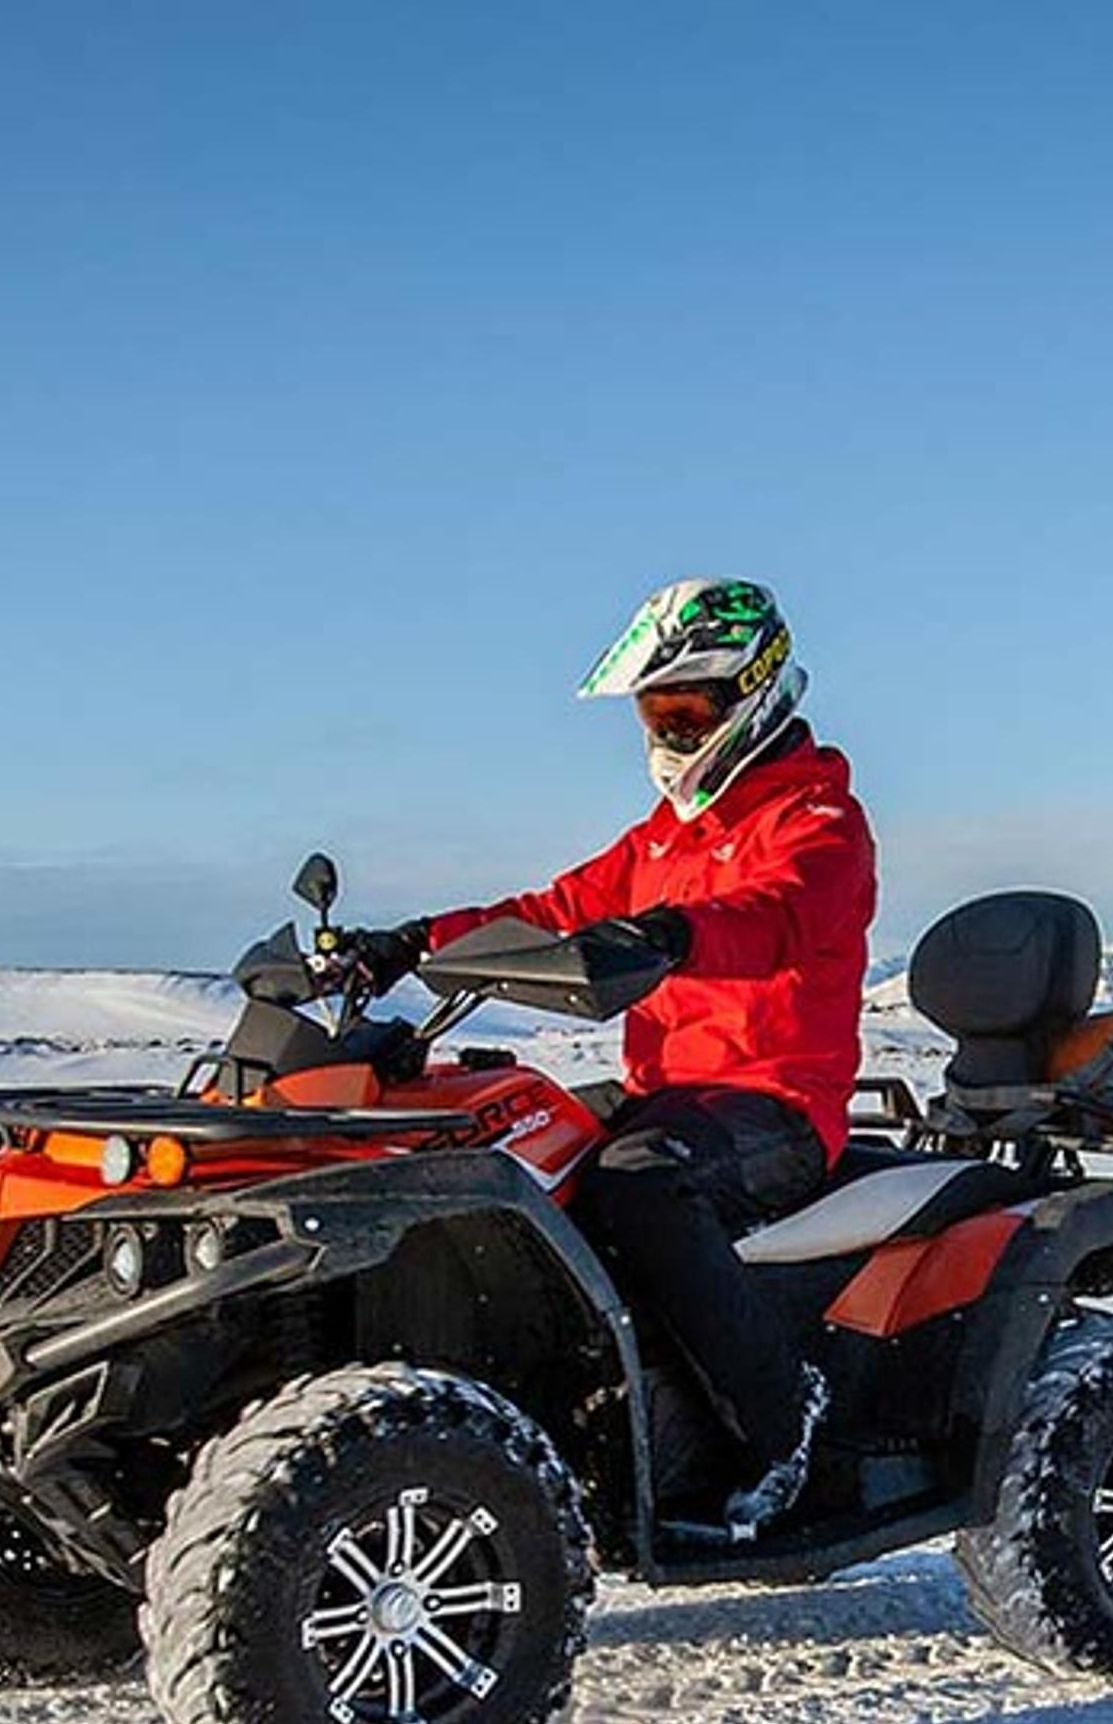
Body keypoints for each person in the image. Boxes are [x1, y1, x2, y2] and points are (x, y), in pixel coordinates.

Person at [330, 576, 878, 1533]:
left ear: (754, 693)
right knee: (508, 1142)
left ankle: (782, 1423)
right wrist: (416, 941)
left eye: (685, 710)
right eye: (653, 713)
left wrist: (669, 935)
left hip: (773, 1106)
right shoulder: (666, 839)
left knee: (635, 1183)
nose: (666, 734)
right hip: (663, 1090)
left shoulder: (818, 821)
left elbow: (778, 913)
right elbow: (552, 912)